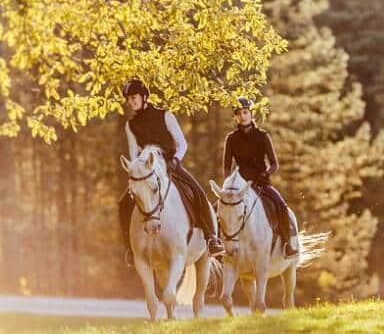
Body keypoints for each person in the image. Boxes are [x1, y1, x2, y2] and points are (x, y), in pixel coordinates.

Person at [119, 78, 225, 266]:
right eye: (128, 99)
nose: (131, 102)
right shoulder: (131, 125)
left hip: (171, 164)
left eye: (134, 97)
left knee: (198, 192)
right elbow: (134, 153)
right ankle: (130, 248)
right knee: (123, 203)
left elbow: (181, 143)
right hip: (147, 170)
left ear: (144, 96)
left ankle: (211, 239)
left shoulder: (165, 115)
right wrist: (138, 168)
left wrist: (175, 160)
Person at [222, 96, 299, 259]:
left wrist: (265, 174)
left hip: (261, 183)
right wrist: (228, 186)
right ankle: (216, 245)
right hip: (240, 186)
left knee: (281, 205)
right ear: (235, 116)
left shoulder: (263, 136)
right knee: (219, 208)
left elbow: (274, 165)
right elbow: (226, 167)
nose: (242, 116)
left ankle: (287, 244)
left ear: (251, 114)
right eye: (238, 113)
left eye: (245, 112)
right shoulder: (231, 138)